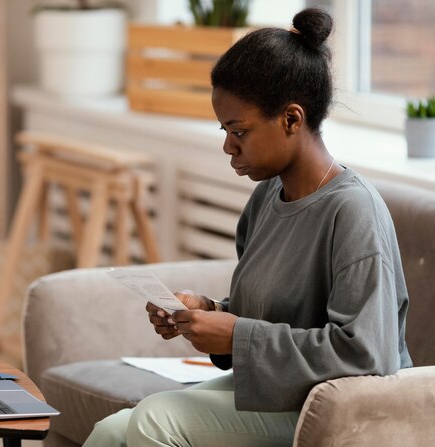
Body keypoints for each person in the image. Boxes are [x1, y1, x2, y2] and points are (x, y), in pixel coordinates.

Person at [83, 7, 412, 447]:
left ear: (292, 120)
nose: (227, 146)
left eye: (239, 130)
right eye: (224, 129)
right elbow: (266, 320)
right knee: (109, 433)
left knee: (157, 420)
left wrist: (237, 334)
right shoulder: (266, 198)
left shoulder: (353, 211)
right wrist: (208, 312)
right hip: (285, 394)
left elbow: (366, 355)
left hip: (347, 409)